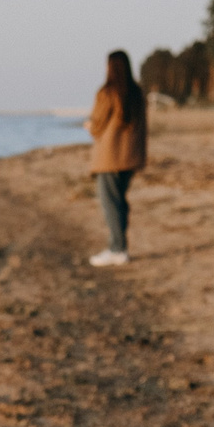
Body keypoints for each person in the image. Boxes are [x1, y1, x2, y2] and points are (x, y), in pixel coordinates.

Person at [85, 48, 149, 266]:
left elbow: (97, 126)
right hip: (131, 158)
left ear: (110, 67)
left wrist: (88, 125)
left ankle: (117, 249)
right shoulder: (137, 93)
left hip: (109, 158)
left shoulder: (107, 92)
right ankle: (119, 247)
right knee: (120, 202)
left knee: (110, 203)